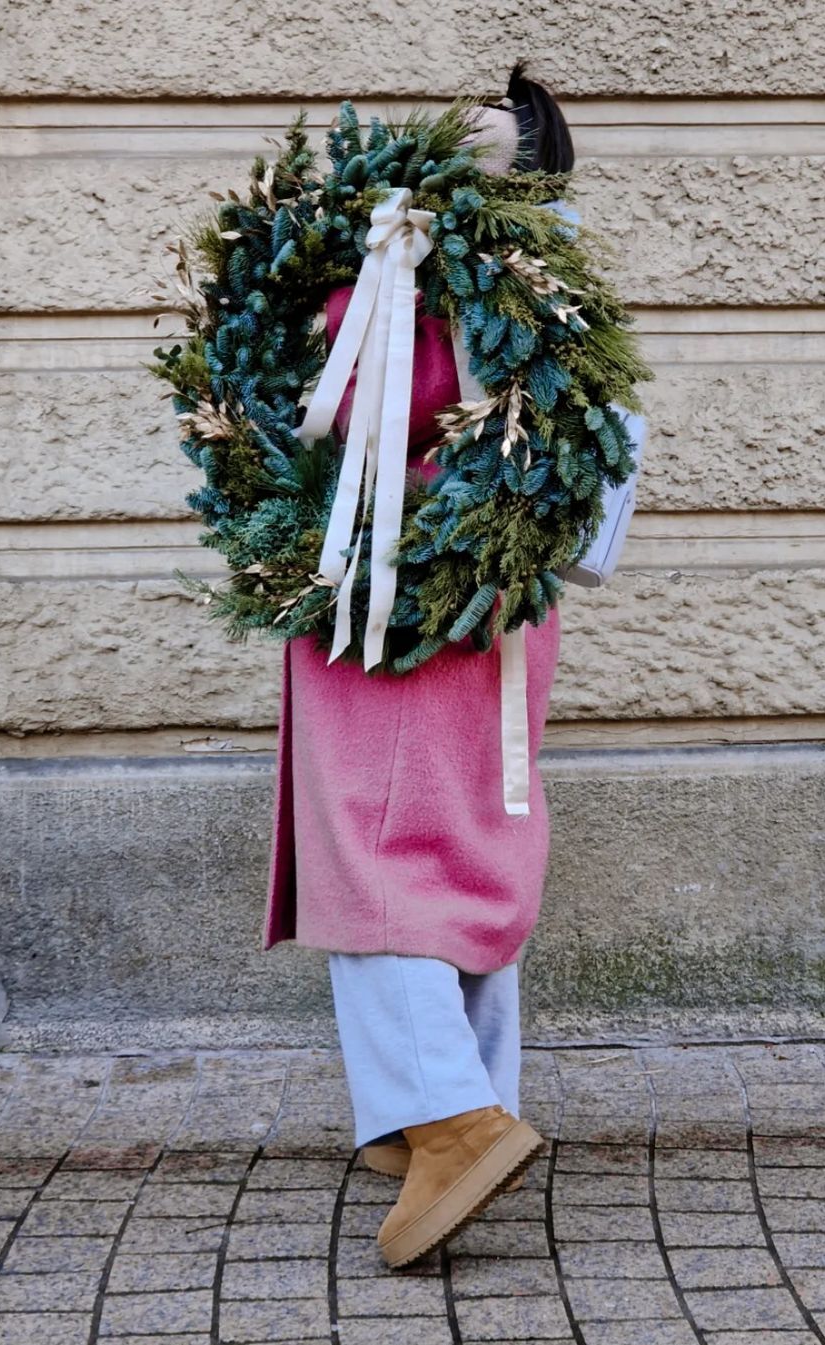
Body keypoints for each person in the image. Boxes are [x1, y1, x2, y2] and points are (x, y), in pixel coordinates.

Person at [261, 62, 577, 1269]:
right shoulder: (545, 295)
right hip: (487, 607)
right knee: (463, 848)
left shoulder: (421, 284)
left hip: (397, 604)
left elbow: (336, 398)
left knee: (379, 851)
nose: (450, 143)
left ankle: (451, 1122)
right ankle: (457, 1108)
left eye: (483, 136)